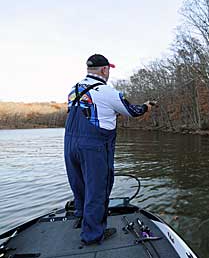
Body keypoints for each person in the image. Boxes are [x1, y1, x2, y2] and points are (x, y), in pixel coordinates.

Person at [64, 54, 154, 245]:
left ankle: (81, 217)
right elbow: (132, 111)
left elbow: (91, 112)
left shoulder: (73, 90)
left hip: (70, 145)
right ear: (104, 70)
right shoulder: (108, 92)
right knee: (98, 190)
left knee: (79, 185)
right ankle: (93, 235)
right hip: (94, 147)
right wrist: (146, 106)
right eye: (109, 69)